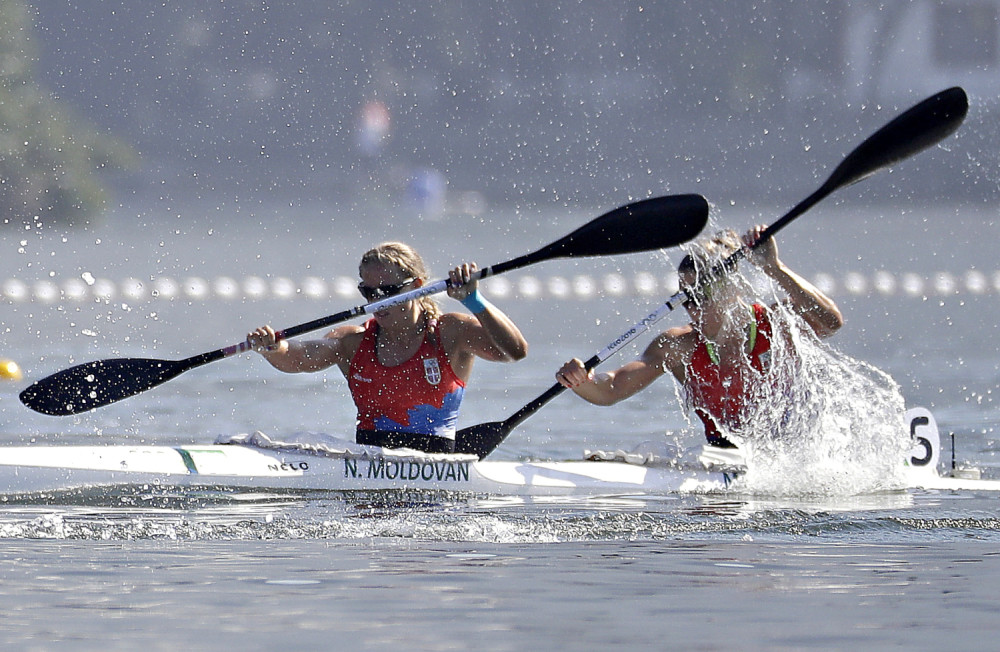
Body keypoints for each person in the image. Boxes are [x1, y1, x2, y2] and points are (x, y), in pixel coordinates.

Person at [555, 226, 843, 449]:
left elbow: (830, 322)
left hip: (795, 454)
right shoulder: (678, 346)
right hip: (724, 455)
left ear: (735, 289)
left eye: (702, 295)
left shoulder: (777, 323)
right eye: (686, 298)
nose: (693, 308)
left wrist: (774, 268)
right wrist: (582, 381)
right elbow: (612, 389)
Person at [247, 242, 528, 454]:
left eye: (387, 292)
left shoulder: (450, 333)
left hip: (436, 474)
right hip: (370, 469)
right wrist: (274, 348)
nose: (377, 300)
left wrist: (474, 301)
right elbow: (301, 357)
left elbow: (514, 351)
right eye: (369, 293)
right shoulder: (352, 342)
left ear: (417, 286)